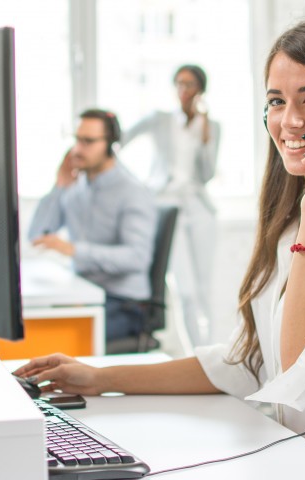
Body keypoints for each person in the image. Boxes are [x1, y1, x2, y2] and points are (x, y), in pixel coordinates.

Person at [17, 12, 305, 480]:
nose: (289, 121)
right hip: (303, 463)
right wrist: (99, 378)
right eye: (276, 101)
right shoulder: (293, 224)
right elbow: (251, 364)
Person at [28, 109, 158, 345]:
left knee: (53, 339)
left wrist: (75, 250)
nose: (78, 149)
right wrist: (59, 186)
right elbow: (37, 235)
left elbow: (137, 257)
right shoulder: (76, 187)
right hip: (84, 294)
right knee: (31, 326)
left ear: (110, 145)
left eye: (88, 141)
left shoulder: (132, 191)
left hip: (123, 303)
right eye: (76, 139)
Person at [119, 64, 221, 347]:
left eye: (188, 84)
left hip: (198, 207)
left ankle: (210, 351)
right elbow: (120, 141)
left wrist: (205, 139)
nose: (182, 90)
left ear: (200, 89)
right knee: (184, 289)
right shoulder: (160, 120)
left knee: (204, 288)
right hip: (165, 205)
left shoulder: (211, 127)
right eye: (178, 83)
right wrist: (140, 186)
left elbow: (208, 173)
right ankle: (194, 354)